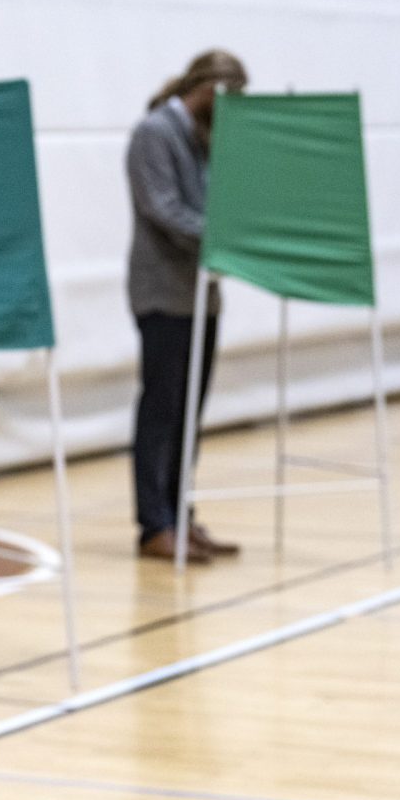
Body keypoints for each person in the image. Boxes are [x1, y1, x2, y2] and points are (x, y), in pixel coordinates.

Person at [125, 50, 248, 563]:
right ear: (209, 90)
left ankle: (181, 514)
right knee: (162, 411)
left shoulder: (203, 138)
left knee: (190, 414)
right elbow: (164, 210)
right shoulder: (155, 132)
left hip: (201, 296)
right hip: (163, 294)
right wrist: (226, 238)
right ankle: (155, 523)